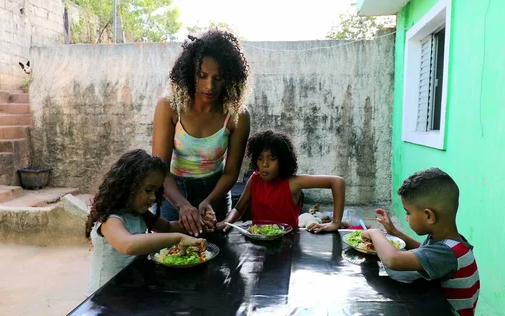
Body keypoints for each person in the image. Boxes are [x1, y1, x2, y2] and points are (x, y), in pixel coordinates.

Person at [152, 29, 251, 237]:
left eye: (219, 78)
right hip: (173, 195)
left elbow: (231, 172)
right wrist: (182, 205)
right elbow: (159, 168)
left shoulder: (237, 116)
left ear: (231, 78)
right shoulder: (169, 107)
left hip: (216, 196)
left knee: (218, 258)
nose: (210, 86)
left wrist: (209, 201)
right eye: (202, 76)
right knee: (171, 258)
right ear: (189, 72)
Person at [85, 149, 206, 296]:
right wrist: (179, 239)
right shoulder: (111, 219)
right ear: (127, 185)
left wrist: (201, 223)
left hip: (130, 290)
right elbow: (128, 245)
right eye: (148, 190)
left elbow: (167, 227)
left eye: (156, 191)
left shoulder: (139, 213)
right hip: (104, 298)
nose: (153, 197)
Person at [362, 168, 479, 316]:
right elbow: (425, 252)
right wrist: (395, 233)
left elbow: (393, 260)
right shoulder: (451, 242)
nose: (406, 218)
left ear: (429, 216)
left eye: (408, 212)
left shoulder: (447, 253)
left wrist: (375, 233)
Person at [216, 129, 346, 233]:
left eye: (271, 158)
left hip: (289, 247)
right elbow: (238, 209)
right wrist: (227, 222)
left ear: (282, 161)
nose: (265, 164)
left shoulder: (293, 183)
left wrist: (335, 222)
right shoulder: (255, 178)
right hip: (260, 246)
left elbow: (337, 182)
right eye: (260, 158)